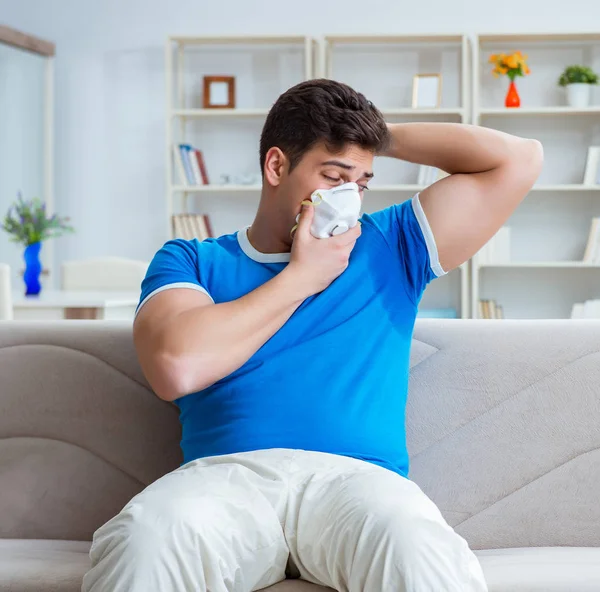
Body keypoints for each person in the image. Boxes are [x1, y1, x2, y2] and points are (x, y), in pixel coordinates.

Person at [82, 79, 543, 592]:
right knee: (148, 536)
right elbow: (176, 366)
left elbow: (520, 160)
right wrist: (303, 276)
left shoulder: (390, 245)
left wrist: (374, 137)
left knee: (414, 542)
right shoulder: (192, 260)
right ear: (277, 166)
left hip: (357, 484)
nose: (350, 199)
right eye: (333, 175)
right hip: (227, 483)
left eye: (362, 182)